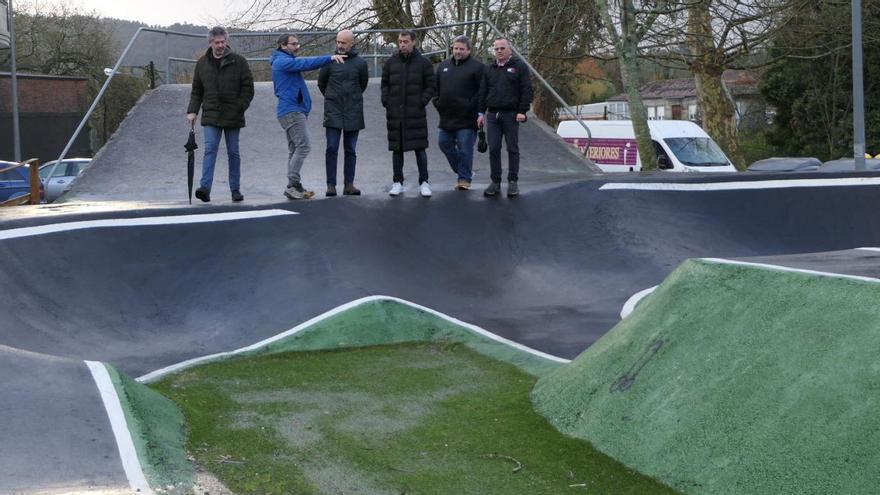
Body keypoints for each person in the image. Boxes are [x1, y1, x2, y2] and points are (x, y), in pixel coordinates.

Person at [270, 33, 345, 200]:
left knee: (295, 149)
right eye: (293, 44)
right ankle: (292, 185)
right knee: (303, 147)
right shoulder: (283, 62)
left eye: (298, 44)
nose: (298, 47)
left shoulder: (283, 60)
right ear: (283, 45)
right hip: (292, 112)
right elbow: (305, 63)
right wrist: (330, 58)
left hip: (292, 111)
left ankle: (294, 185)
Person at [186, 26, 254, 203]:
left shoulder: (239, 61)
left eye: (223, 42)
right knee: (210, 151)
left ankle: (235, 190)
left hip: (233, 114)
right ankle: (205, 188)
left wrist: (240, 106)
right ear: (210, 43)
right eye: (217, 42)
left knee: (234, 153)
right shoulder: (202, 63)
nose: (220, 45)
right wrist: (192, 110)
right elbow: (197, 90)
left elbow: (248, 88)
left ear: (227, 42)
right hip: (211, 115)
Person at [381, 30, 436, 197]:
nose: (402, 44)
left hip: (415, 113)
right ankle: (397, 182)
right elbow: (385, 85)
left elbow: (431, 86)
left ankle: (424, 182)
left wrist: (422, 101)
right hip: (395, 113)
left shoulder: (424, 63)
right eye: (400, 42)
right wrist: (387, 101)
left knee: (420, 149)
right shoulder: (390, 62)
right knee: (397, 150)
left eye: (405, 41)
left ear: (413, 42)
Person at [477, 38, 533, 197]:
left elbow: (526, 89)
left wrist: (523, 110)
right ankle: (495, 182)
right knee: (494, 148)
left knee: (512, 148)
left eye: (502, 48)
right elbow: (483, 92)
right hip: (493, 115)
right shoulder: (489, 69)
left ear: (510, 49)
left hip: (511, 115)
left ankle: (513, 182)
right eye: (496, 49)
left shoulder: (519, 66)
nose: (499, 51)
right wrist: (480, 113)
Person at [318, 29, 369, 197]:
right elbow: (322, 84)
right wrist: (332, 98)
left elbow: (363, 84)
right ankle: (331, 185)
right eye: (338, 42)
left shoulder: (361, 64)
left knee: (350, 149)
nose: (339, 45)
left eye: (343, 42)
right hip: (333, 111)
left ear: (352, 44)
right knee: (331, 148)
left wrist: (351, 99)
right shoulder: (329, 62)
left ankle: (349, 184)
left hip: (353, 111)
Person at [433, 35, 484, 191]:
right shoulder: (443, 66)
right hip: (447, 117)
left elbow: (482, 92)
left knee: (465, 148)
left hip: (468, 118)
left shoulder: (477, 67)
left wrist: (475, 109)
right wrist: (438, 102)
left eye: (462, 49)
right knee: (444, 144)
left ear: (469, 50)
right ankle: (464, 171)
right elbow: (435, 88)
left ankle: (464, 179)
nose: (458, 51)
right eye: (456, 48)